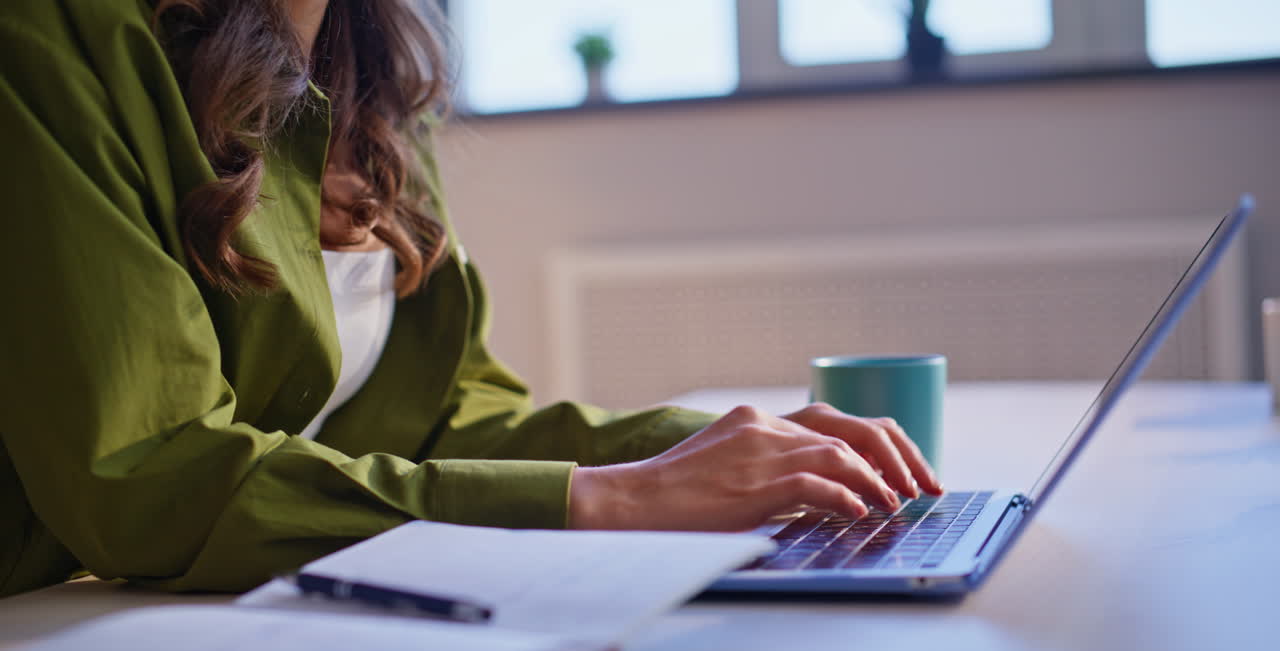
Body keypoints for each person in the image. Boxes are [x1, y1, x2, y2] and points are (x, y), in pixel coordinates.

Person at [0, 0, 941, 599]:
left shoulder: (365, 81)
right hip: (51, 619)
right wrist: (613, 500)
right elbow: (151, 475)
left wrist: (713, 450)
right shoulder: (54, 39)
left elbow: (451, 418)